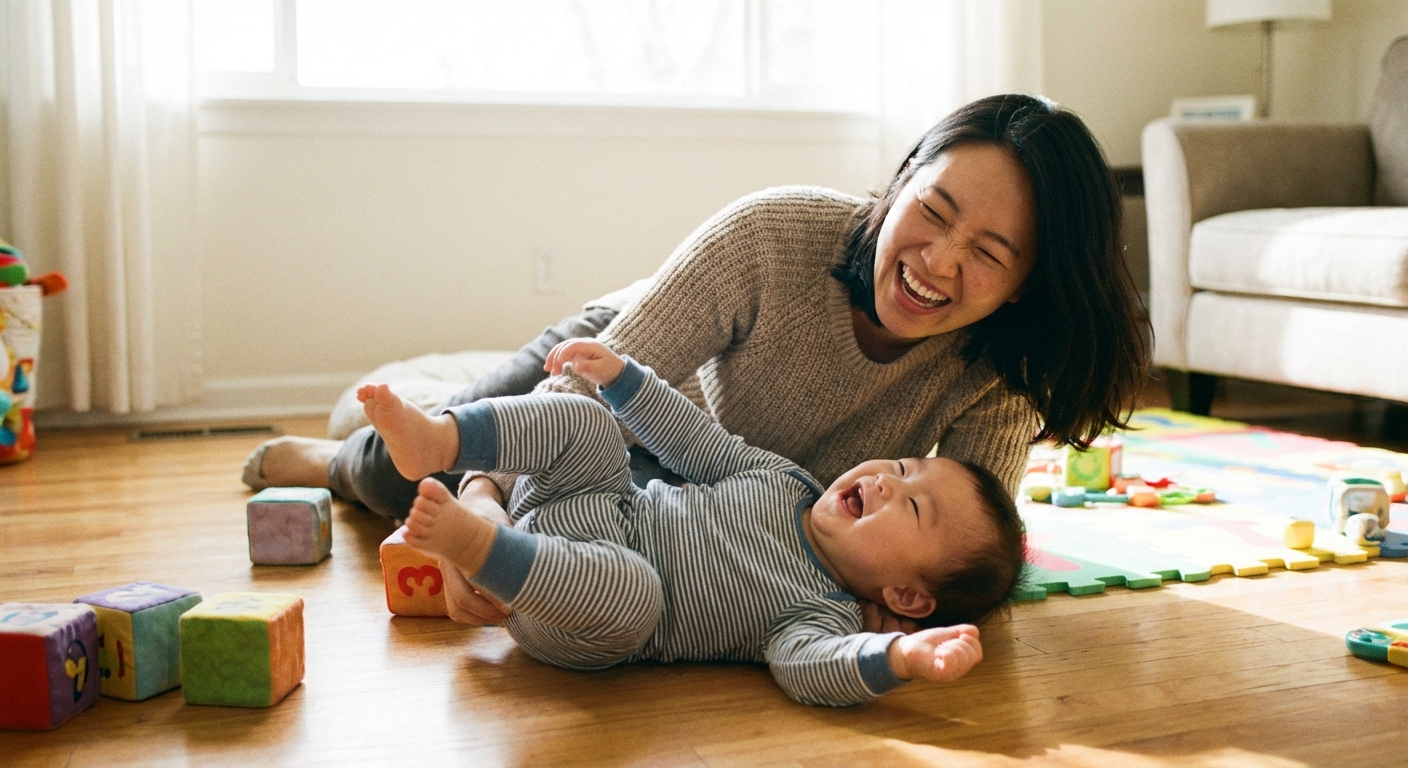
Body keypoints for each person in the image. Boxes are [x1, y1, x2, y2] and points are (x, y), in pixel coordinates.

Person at [244, 93, 1148, 625]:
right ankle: (340, 456)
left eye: (991, 253)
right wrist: (482, 494)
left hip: (711, 503)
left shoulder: (997, 382)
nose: (939, 263)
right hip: (612, 374)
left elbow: (956, 552)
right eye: (935, 211)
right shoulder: (775, 233)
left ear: (1029, 282)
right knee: (417, 465)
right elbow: (582, 403)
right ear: (901, 178)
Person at [359, 337, 1024, 706]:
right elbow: (696, 442)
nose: (885, 479)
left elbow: (816, 668)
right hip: (591, 505)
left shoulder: (823, 613)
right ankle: (439, 442)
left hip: (580, 611)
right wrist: (624, 381)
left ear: (906, 596)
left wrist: (897, 657)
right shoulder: (787, 481)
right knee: (588, 421)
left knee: (635, 592)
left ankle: (480, 548)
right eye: (906, 467)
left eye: (910, 504)